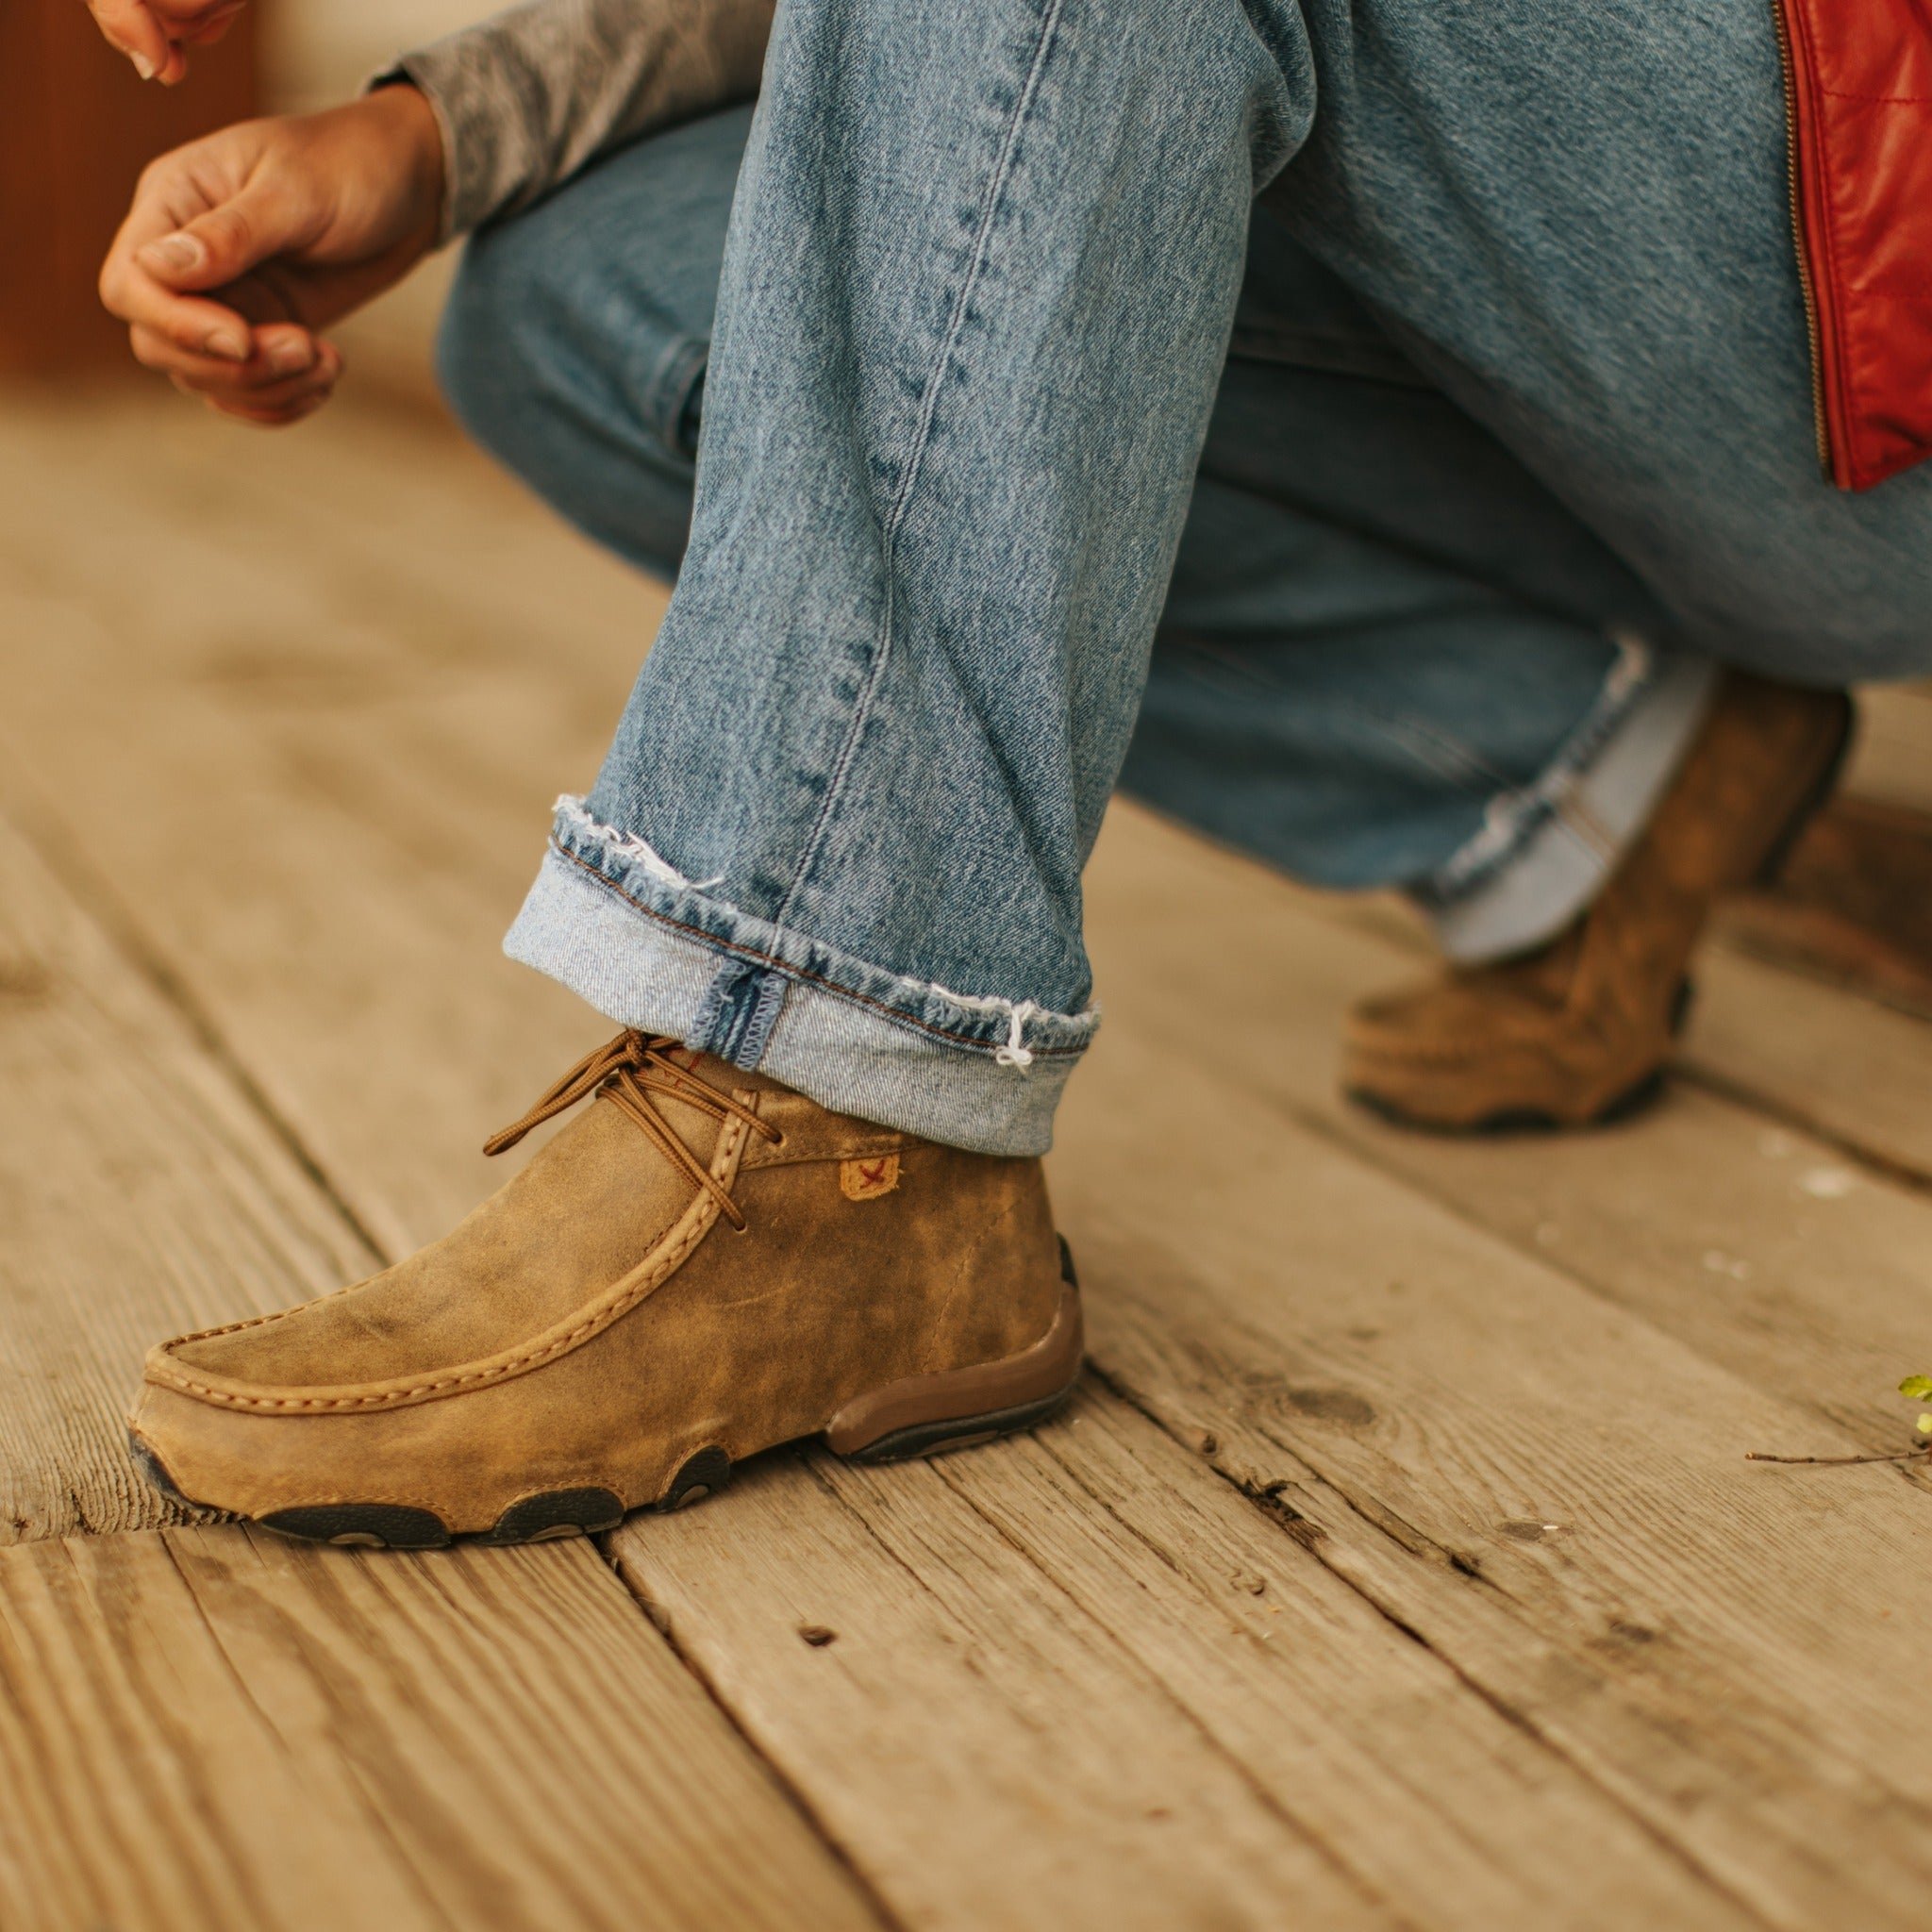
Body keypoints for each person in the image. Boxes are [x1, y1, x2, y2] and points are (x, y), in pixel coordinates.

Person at [91, 0, 1926, 1549]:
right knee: (600, 293)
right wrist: (448, 133)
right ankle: (1575, 760)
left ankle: (839, 1107)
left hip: (1871, 304)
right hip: (1620, 307)